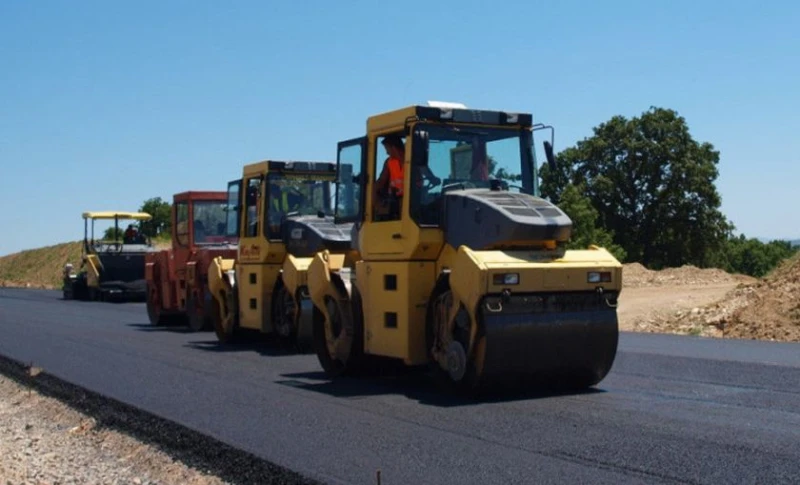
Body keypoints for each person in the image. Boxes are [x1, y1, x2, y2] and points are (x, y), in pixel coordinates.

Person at [373, 135, 440, 219]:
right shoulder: (389, 162)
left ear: (393, 148)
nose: (387, 153)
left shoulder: (414, 160)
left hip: (413, 199)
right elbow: (381, 180)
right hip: (395, 201)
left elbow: (427, 173)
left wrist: (433, 179)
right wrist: (374, 200)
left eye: (387, 149)